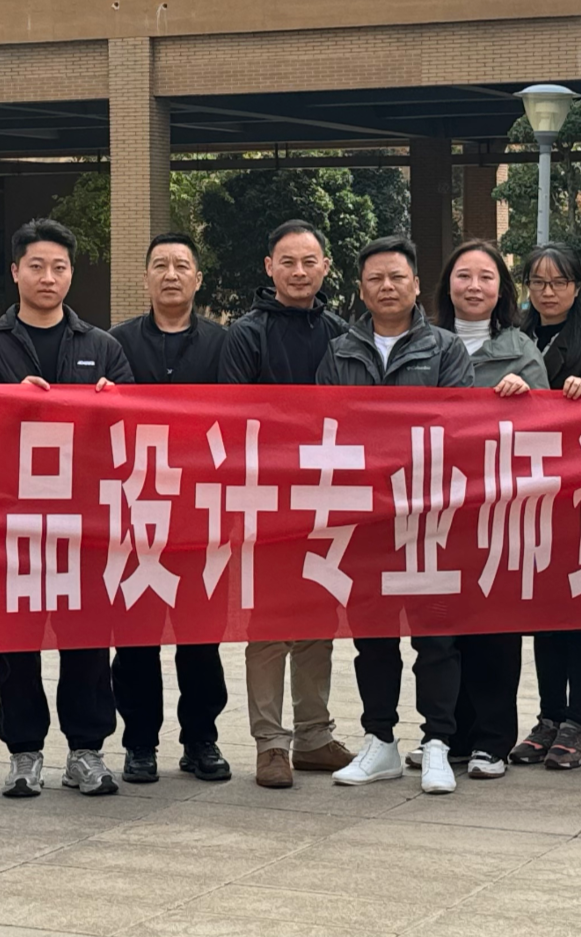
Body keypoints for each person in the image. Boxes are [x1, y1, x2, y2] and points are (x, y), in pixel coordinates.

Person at [0, 218, 134, 798]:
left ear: (71, 274)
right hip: (10, 525)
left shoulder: (102, 347)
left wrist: (115, 407)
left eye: (59, 267)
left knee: (87, 641)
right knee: (16, 643)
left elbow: (132, 431)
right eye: (35, 266)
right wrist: (7, 407)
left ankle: (87, 751)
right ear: (14, 272)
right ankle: (24, 752)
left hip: (85, 524)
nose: (48, 277)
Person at [319, 236, 478, 794]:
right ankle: (379, 740)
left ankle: (437, 743)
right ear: (361, 290)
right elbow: (326, 428)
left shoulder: (445, 349)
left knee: (436, 638)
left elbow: (457, 426)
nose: (386, 287)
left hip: (428, 516)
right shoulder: (339, 352)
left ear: (415, 284)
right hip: (367, 518)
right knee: (373, 637)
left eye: (396, 277)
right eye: (375, 279)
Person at [216, 220, 357, 789]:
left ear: (325, 267)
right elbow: (233, 417)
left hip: (327, 493)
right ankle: (271, 743)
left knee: (319, 617)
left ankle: (315, 735)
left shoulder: (344, 333)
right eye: (288, 262)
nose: (299, 272)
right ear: (269, 268)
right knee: (270, 622)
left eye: (309, 262)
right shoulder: (244, 334)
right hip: (266, 497)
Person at [107, 233, 233, 785]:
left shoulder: (225, 344)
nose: (171, 274)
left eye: (182, 265)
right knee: (135, 635)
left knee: (200, 634)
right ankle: (139, 742)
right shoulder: (115, 343)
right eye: (160, 265)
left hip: (202, 511)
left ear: (198, 279)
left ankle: (200, 739)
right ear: (146, 279)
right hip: (135, 510)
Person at [433, 239, 548, 780]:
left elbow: (549, 430)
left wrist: (527, 396)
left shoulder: (521, 349)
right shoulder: (423, 342)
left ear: (501, 289)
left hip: (497, 508)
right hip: (436, 505)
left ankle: (493, 739)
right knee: (441, 629)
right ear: (447, 285)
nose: (474, 286)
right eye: (464, 276)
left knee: (494, 627)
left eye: (486, 277)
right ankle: (447, 735)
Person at [511, 242, 581, 771]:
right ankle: (549, 717)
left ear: (577, 287)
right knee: (544, 613)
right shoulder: (513, 338)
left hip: (578, 494)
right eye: (538, 282)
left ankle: (578, 722)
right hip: (527, 492)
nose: (548, 292)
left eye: (559, 282)